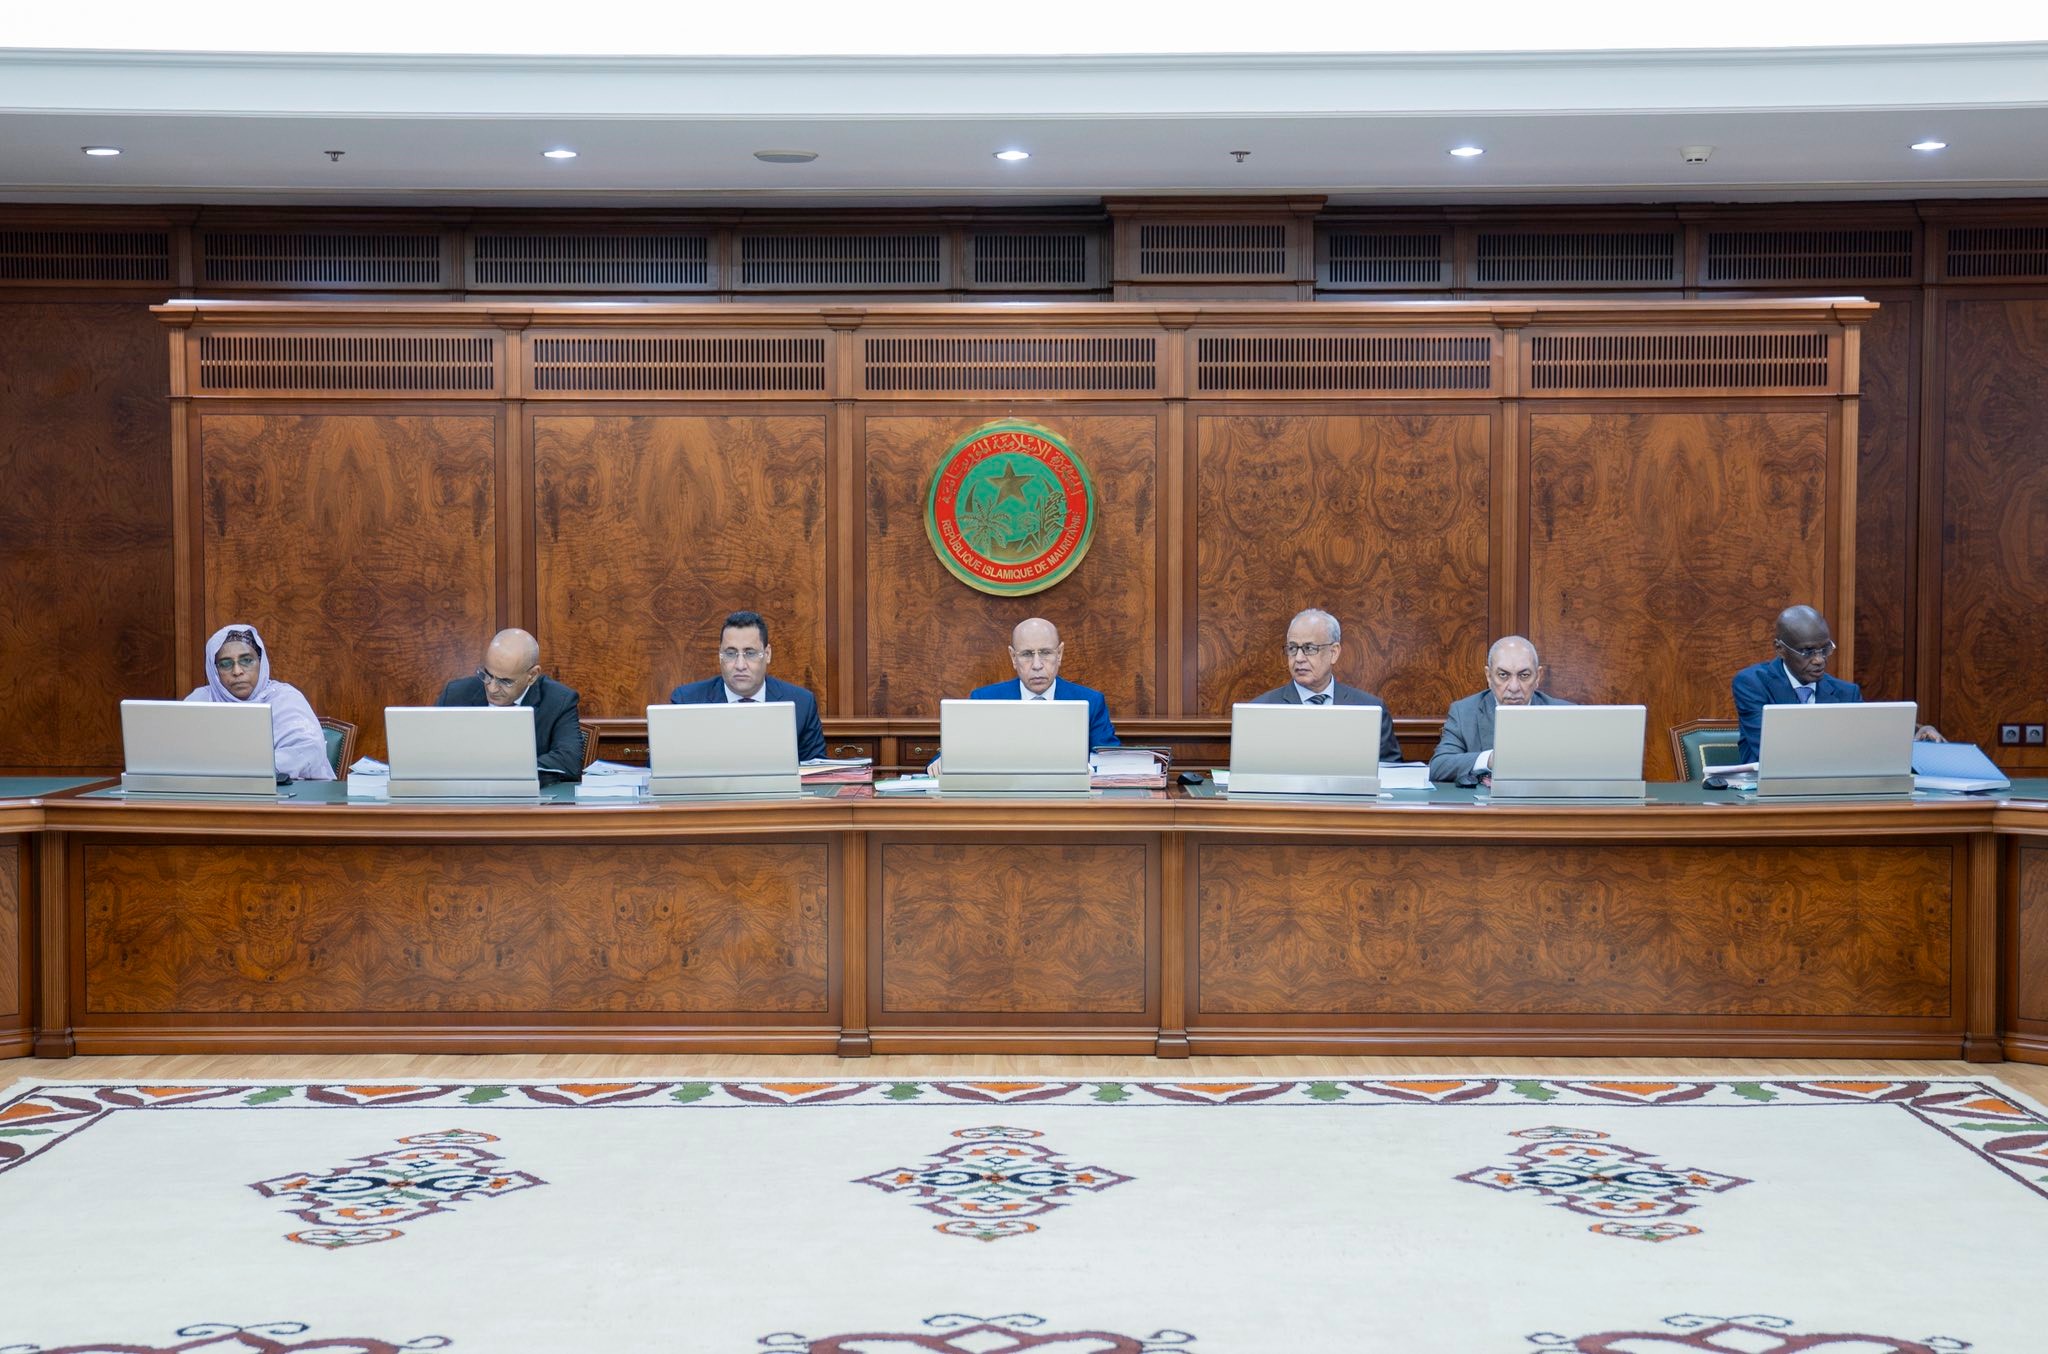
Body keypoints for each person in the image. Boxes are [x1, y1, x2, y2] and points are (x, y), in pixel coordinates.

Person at [1731, 604, 1942, 763]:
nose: (1819, 660)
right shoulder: (1753, 683)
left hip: (1835, 793)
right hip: (1767, 795)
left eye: (1825, 649)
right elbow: (1771, 751)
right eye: (1807, 651)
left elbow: (1870, 740)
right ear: (1780, 649)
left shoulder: (1846, 693)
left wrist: (1917, 734)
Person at [668, 610, 827, 762]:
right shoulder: (686, 701)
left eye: (750, 653)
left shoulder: (802, 704)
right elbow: (667, 769)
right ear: (720, 655)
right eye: (730, 653)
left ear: (767, 654)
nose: (740, 665)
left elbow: (816, 773)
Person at [183, 623, 335, 781]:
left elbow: (309, 752)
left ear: (261, 663)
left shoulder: (285, 699)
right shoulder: (200, 700)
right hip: (211, 790)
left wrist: (240, 770)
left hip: (285, 792)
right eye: (226, 664)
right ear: (214, 670)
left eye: (246, 660)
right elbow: (178, 753)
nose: (237, 671)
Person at [1250, 608, 1401, 762]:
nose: (1299, 658)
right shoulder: (1259, 711)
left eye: (1309, 648)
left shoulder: (1371, 709)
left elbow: (1392, 771)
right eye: (1293, 648)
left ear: (1333, 653)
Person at [435, 628, 585, 782]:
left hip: (526, 796)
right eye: (487, 675)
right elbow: (430, 750)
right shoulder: (455, 695)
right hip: (463, 792)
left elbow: (569, 761)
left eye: (505, 681)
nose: (492, 688)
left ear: (532, 676)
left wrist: (503, 772)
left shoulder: (558, 701)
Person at [1428, 635, 1573, 785]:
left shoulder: (1566, 714)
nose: (1514, 687)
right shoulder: (1464, 712)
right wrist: (1491, 759)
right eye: (1503, 675)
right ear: (1489, 676)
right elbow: (1439, 766)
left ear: (1538, 677)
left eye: (1524, 675)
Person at [969, 617, 1118, 748]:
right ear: (1013, 657)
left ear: (1059, 654)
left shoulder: (1091, 702)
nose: (1037, 665)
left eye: (1046, 653)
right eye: (1026, 654)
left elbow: (1107, 763)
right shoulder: (983, 701)